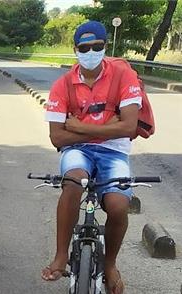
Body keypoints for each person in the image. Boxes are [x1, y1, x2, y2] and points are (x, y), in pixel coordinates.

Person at [41, 21, 145, 294]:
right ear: (75, 49)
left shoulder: (124, 77)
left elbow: (129, 127)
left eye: (96, 47)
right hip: (78, 152)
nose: (90, 52)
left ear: (105, 46)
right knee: (73, 181)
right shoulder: (62, 85)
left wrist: (80, 127)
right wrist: (106, 129)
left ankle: (110, 264)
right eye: (84, 48)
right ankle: (61, 256)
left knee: (119, 205)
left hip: (115, 152)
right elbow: (57, 138)